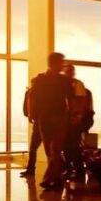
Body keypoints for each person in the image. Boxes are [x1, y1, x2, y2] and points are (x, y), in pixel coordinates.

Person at [28, 52, 74, 190]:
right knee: (50, 150)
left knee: (55, 149)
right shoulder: (41, 79)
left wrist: (71, 114)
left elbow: (70, 99)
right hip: (45, 118)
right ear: (55, 63)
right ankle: (58, 177)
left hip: (59, 117)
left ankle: (48, 179)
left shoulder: (63, 81)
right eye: (61, 62)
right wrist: (31, 112)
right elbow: (31, 96)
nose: (63, 65)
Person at [62, 63, 91, 181]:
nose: (68, 73)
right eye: (66, 71)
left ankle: (78, 171)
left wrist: (78, 116)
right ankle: (70, 169)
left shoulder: (78, 84)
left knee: (74, 145)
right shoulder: (64, 84)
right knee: (67, 145)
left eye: (70, 71)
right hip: (66, 119)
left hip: (74, 119)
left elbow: (81, 101)